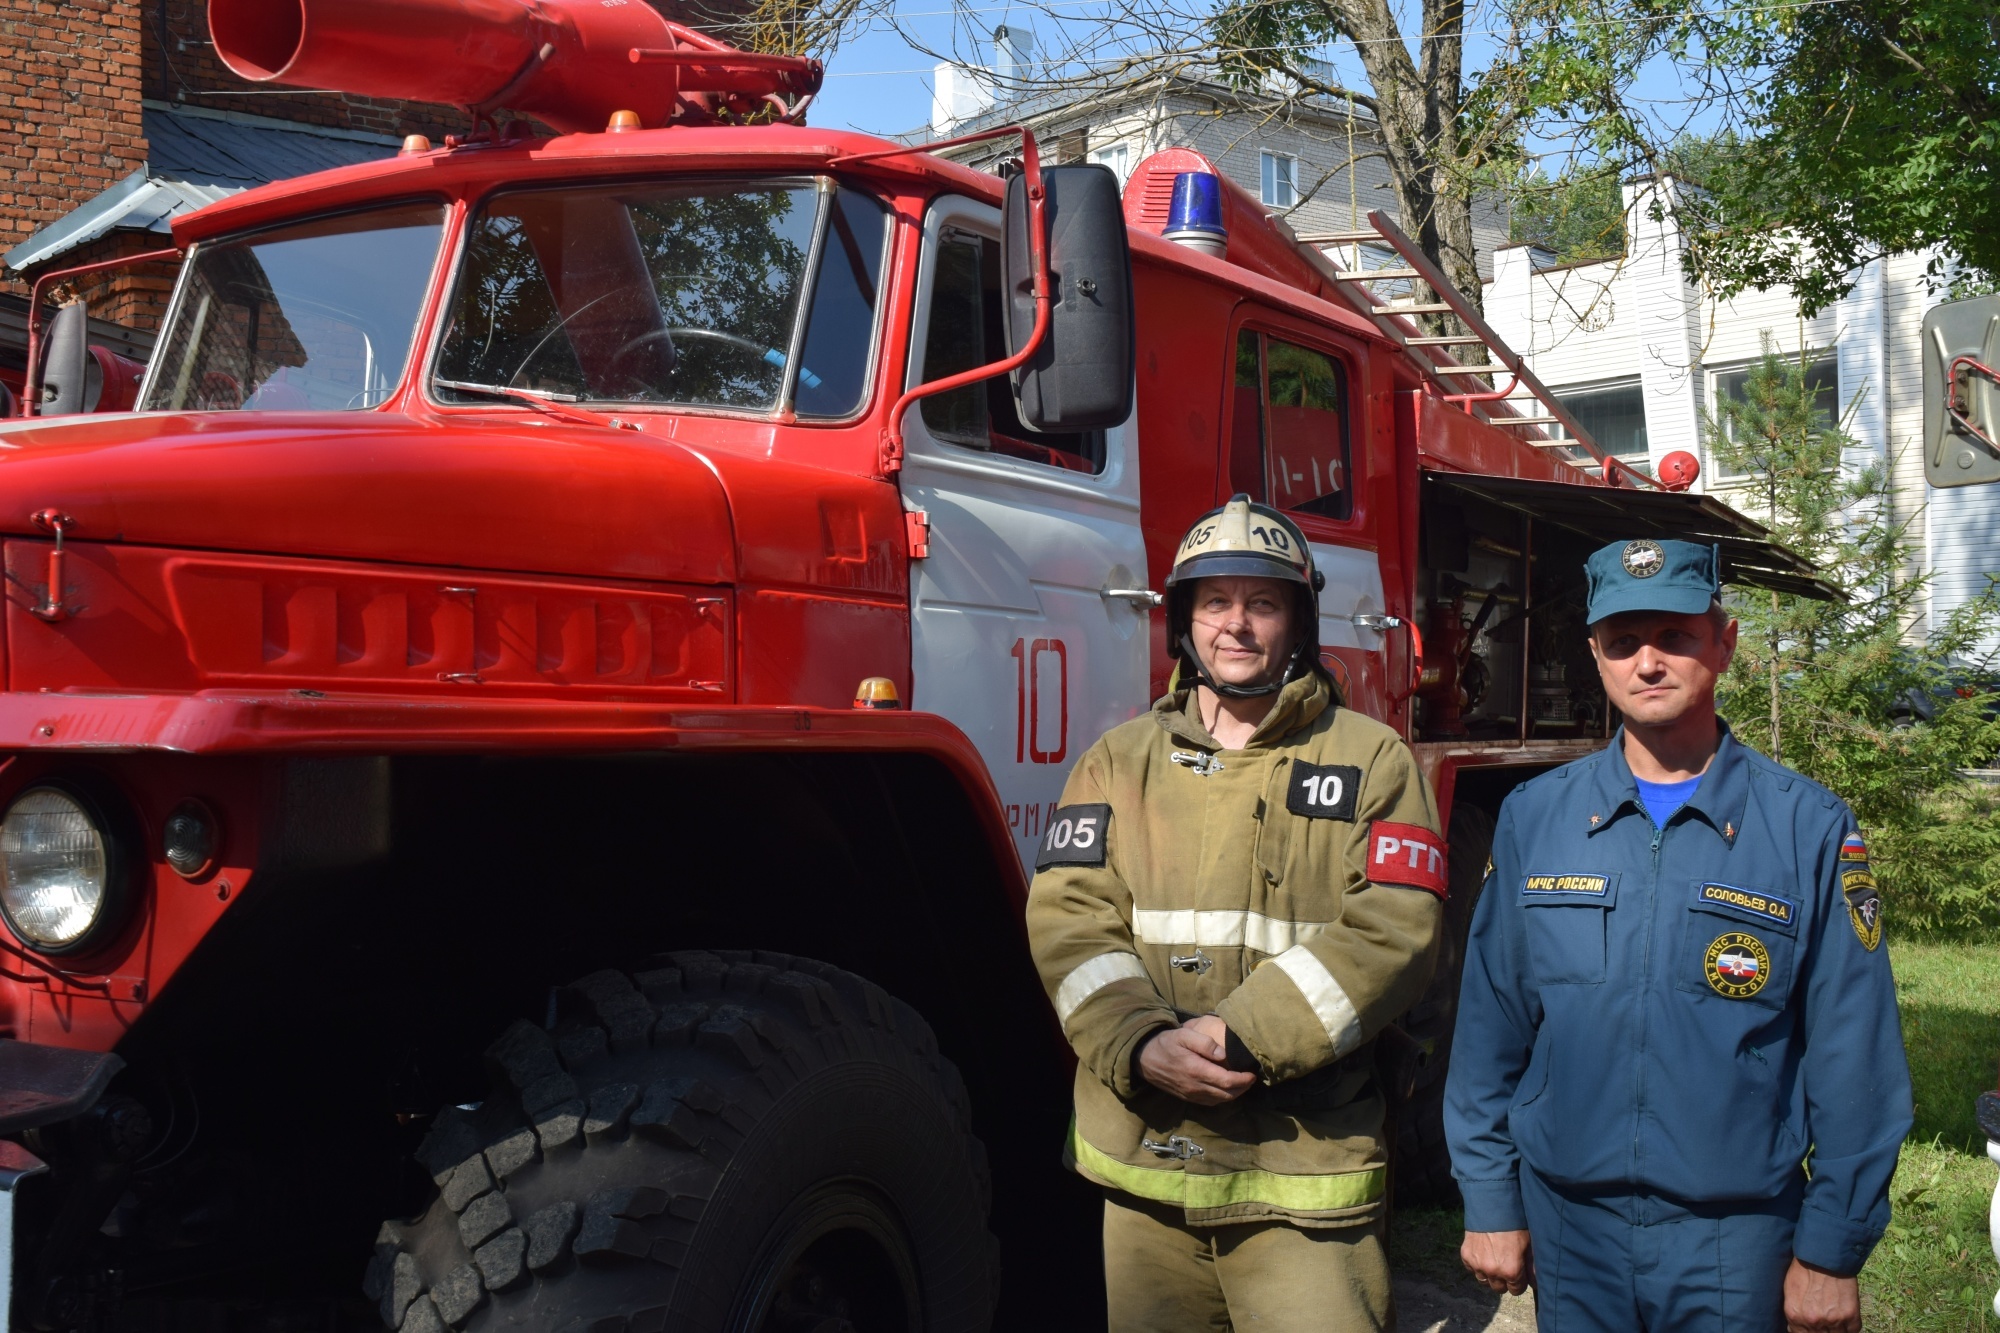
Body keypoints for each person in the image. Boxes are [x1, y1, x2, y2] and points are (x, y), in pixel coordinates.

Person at [1445, 538, 1912, 1333]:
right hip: (1573, 1231)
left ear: (1724, 645)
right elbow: (1490, 1028)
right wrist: (1490, 1196)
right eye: (1623, 642)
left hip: (1735, 1240)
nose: (1648, 662)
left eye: (1675, 636)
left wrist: (1831, 1249)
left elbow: (1854, 1054)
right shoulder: (1538, 817)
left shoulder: (1809, 828)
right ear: (1595, 654)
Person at [1024, 495, 1447, 1332]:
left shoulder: (1372, 758)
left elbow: (1395, 930)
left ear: (1297, 620)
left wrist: (1240, 1035)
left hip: (1302, 1172)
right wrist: (1141, 1040)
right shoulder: (1119, 760)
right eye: (1215, 601)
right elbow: (1070, 919)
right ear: (1185, 619)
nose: (1237, 625)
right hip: (1147, 1165)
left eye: (1262, 602)